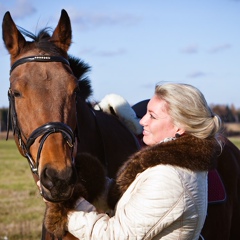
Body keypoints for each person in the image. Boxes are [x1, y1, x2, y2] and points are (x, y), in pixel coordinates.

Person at [49, 83, 223, 239]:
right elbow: (135, 202)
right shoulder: (175, 166)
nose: (142, 121)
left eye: (152, 116)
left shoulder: (170, 177)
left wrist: (67, 208)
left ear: (179, 126)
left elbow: (115, 236)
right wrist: (89, 177)